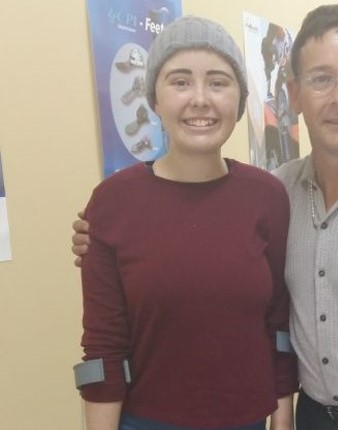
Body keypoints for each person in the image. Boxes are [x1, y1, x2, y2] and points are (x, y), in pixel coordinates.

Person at [73, 4, 338, 430]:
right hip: (313, 415)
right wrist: (103, 238)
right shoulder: (279, 191)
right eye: (321, 79)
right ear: (294, 94)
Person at [72, 16, 297, 430]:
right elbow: (103, 348)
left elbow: (278, 324)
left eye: (218, 82)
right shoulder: (113, 203)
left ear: (239, 99)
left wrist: (282, 422)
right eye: (180, 81)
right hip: (146, 420)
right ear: (155, 100)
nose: (200, 99)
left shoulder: (267, 197)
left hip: (248, 419)